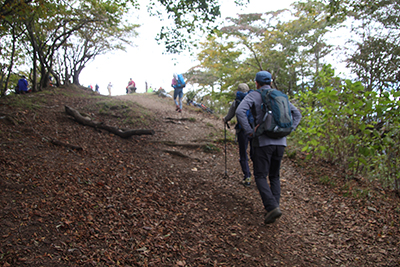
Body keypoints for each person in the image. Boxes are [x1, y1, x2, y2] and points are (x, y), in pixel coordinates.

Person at [235, 70, 302, 224]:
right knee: (274, 176)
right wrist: (289, 130)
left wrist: (250, 132)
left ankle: (271, 207)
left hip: (263, 142)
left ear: (257, 83)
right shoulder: (280, 96)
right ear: (270, 82)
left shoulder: (253, 95)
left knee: (259, 175)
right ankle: (274, 207)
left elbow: (240, 111)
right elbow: (297, 114)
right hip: (281, 142)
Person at [223, 83, 254, 187]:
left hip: (242, 130)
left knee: (243, 154)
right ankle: (260, 176)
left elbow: (229, 115)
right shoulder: (254, 99)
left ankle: (247, 176)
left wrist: (225, 119)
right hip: (254, 130)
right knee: (256, 153)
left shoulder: (237, 102)